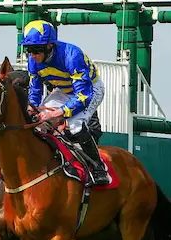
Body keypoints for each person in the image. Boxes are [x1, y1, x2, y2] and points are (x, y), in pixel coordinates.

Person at [21, 20, 109, 185]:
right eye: (29, 50)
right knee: (37, 123)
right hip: (63, 90)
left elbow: (82, 96)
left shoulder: (72, 55)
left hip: (90, 90)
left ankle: (98, 168)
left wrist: (54, 114)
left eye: (36, 49)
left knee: (75, 125)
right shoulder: (33, 61)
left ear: (49, 46)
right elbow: (35, 91)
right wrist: (31, 108)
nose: (32, 55)